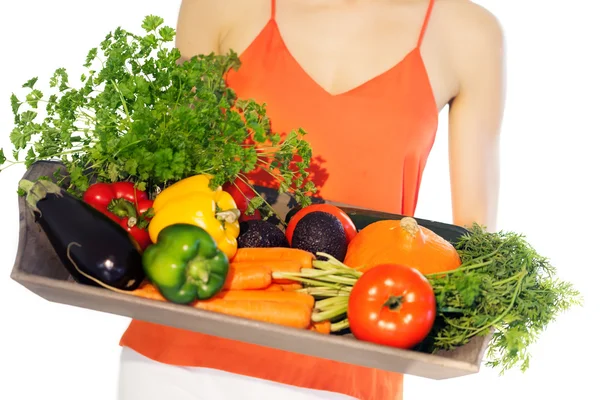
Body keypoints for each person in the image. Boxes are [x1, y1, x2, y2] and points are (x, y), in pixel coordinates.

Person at [117, 0, 505, 399]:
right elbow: (173, 178)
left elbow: (476, 242)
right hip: (182, 353)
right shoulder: (220, 5)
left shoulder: (466, 32)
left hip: (347, 367)